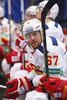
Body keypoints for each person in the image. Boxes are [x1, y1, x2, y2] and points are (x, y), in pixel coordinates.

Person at [4, 18, 67, 100]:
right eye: (29, 35)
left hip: (61, 82)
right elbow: (37, 71)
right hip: (46, 79)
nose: (32, 38)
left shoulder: (51, 49)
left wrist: (28, 83)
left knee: (36, 98)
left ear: (41, 33)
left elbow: (52, 81)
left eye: (35, 34)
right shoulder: (33, 45)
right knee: (25, 89)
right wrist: (24, 81)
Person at [0, 6, 22, 80]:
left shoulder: (6, 23)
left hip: (13, 47)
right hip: (7, 46)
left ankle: (8, 79)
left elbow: (4, 40)